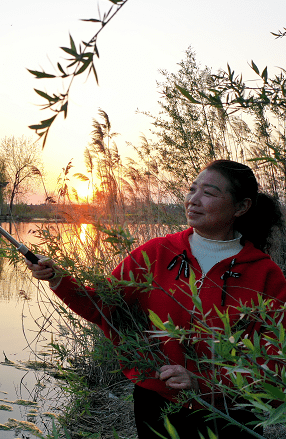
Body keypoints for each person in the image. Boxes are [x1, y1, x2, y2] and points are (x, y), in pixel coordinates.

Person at [26, 160, 286, 438]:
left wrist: (205, 384)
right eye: (192, 190)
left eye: (208, 193)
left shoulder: (263, 274)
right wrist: (57, 278)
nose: (193, 200)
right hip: (157, 404)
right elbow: (102, 305)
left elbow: (275, 359)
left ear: (241, 207)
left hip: (230, 411)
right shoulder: (157, 252)